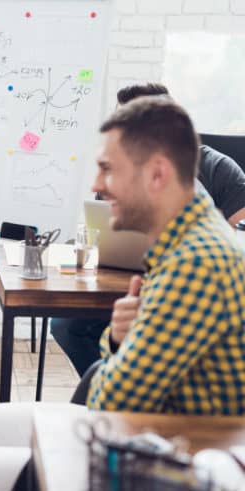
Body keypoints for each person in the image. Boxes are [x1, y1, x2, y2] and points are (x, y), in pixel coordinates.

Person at [0, 96, 245, 491]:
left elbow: (109, 406)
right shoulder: (185, 240)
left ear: (157, 174)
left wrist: (117, 344)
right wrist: (119, 340)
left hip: (169, 451)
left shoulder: (196, 264)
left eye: (109, 169)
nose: (96, 185)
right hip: (143, 429)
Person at [51, 82, 245, 377]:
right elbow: (104, 228)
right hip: (124, 285)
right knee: (66, 326)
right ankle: (113, 386)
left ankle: (121, 389)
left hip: (187, 292)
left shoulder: (218, 168)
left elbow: (235, 230)